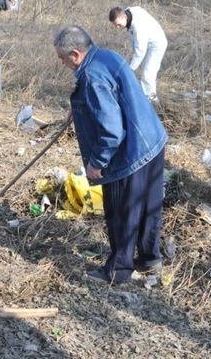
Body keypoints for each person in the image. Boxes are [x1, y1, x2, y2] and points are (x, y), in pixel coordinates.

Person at [54, 25, 168, 285]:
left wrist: (97, 162)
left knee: (121, 211)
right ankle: (149, 260)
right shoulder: (107, 56)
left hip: (130, 153)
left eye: (62, 58)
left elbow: (112, 130)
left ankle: (119, 269)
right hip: (152, 140)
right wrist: (81, 109)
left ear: (75, 53)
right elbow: (115, 98)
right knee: (149, 207)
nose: (62, 63)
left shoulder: (91, 77)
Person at [108, 6, 168, 103]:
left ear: (124, 17)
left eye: (118, 25)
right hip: (148, 41)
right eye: (115, 25)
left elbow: (140, 51)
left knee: (148, 74)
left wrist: (130, 69)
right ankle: (146, 99)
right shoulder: (128, 12)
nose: (117, 27)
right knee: (144, 71)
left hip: (157, 44)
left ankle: (152, 102)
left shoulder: (138, 26)